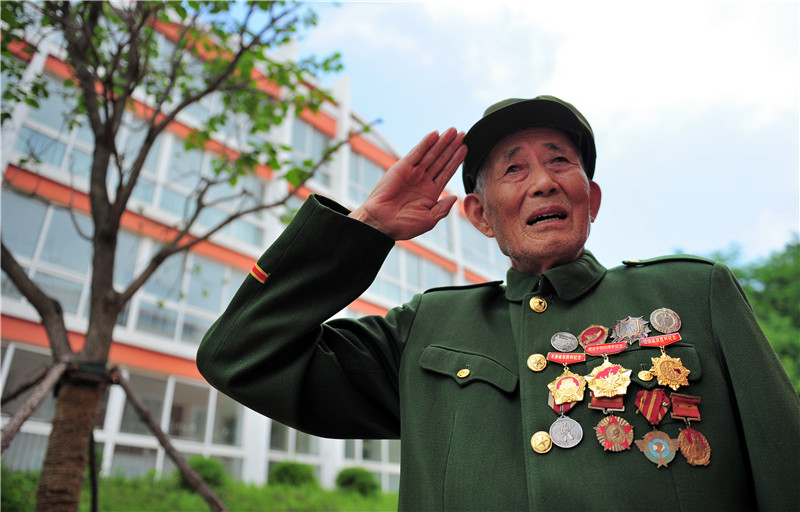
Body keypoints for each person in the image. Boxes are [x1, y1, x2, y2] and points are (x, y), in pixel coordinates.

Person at [197, 96, 800, 511]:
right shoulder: (426, 328)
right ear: (480, 216)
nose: (543, 181)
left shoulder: (693, 293)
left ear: (590, 199)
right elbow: (239, 354)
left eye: (559, 161)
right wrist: (366, 229)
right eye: (514, 169)